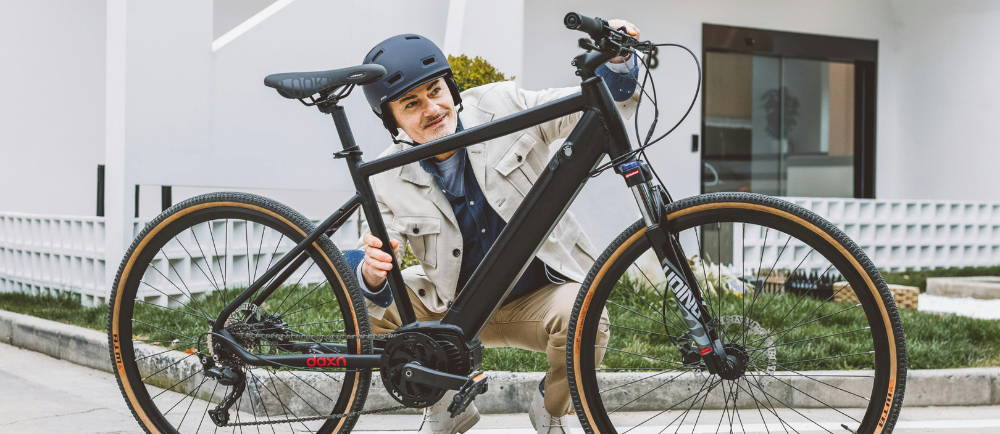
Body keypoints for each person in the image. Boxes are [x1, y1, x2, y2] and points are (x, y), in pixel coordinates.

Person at [342, 20, 641, 434]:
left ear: (451, 88)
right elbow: (363, 253)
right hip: (452, 307)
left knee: (587, 313)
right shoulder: (386, 174)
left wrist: (619, 60)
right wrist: (370, 273)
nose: (431, 109)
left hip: (537, 297)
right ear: (391, 120)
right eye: (410, 104)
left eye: (435, 91)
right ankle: (445, 403)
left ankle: (551, 408)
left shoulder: (503, 104)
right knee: (365, 306)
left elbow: (588, 105)